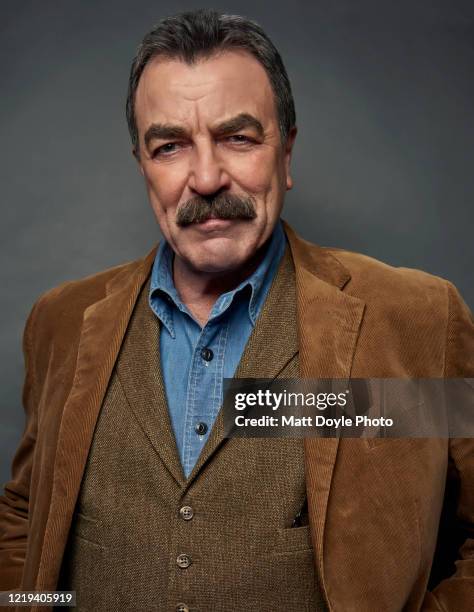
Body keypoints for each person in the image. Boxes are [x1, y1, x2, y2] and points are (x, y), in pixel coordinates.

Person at [0, 9, 472, 612]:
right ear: (143, 165)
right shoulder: (61, 322)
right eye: (170, 146)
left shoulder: (412, 322)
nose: (205, 177)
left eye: (237, 138)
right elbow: (24, 512)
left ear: (287, 153)